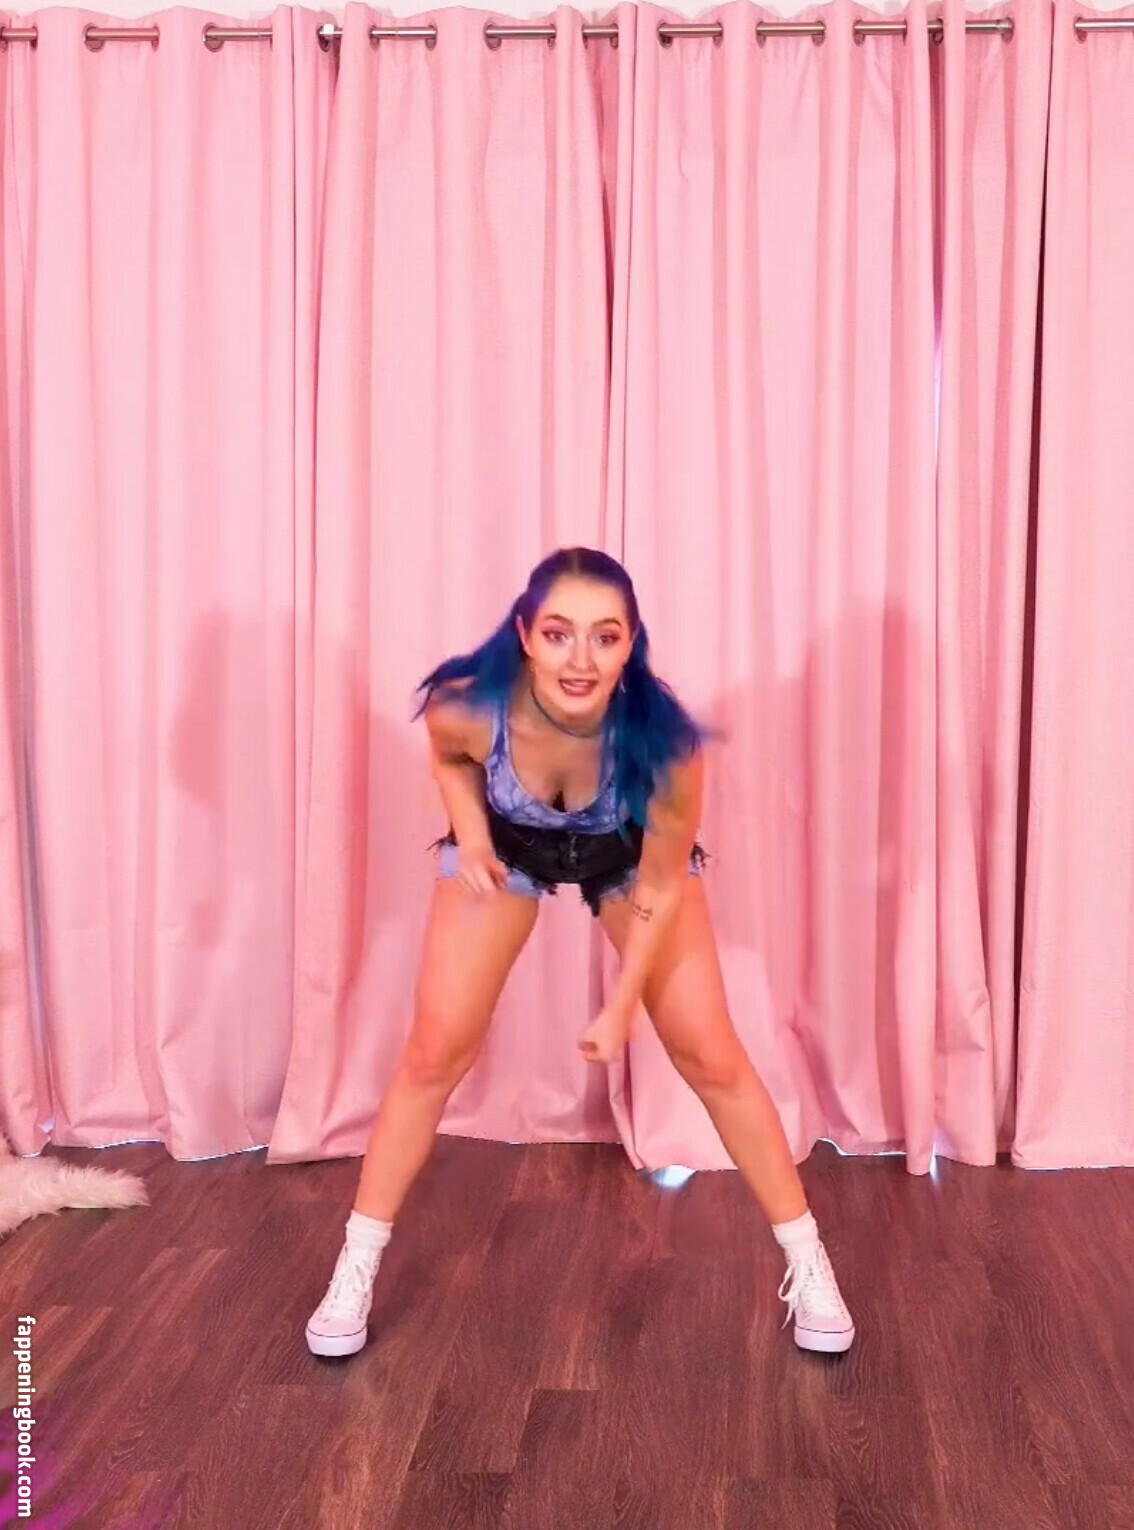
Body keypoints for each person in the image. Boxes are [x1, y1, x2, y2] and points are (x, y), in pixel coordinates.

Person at [306, 547, 854, 1359]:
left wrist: (622, 1005)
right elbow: (449, 755)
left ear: (631, 644)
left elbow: (661, 885)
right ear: (526, 635)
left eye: (605, 636)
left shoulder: (666, 745)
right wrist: (471, 833)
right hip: (509, 845)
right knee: (432, 1054)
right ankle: (354, 1266)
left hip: (626, 854)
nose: (581, 659)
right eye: (559, 633)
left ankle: (809, 1264)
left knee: (711, 1054)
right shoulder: (469, 706)